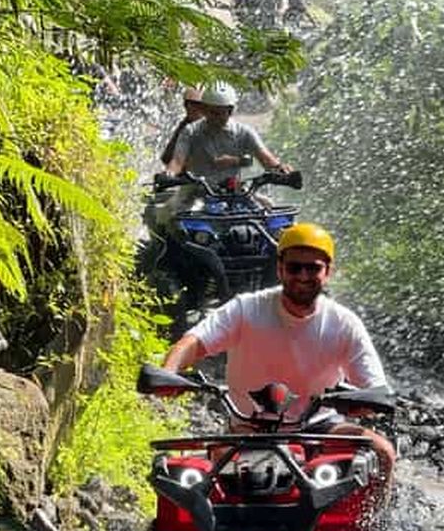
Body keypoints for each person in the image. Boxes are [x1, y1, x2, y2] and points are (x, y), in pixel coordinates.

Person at [162, 222, 397, 499]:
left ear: (328, 272)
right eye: (295, 267)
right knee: (194, 488)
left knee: (382, 452)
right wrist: (169, 374)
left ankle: (372, 530)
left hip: (319, 427)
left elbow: (375, 388)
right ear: (280, 268)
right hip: (248, 427)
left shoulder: (344, 323)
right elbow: (193, 342)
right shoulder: (246, 309)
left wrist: (364, 403)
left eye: (313, 268)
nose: (303, 275)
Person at [166, 83, 292, 182]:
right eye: (211, 112)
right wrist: (169, 175)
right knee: (174, 211)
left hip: (235, 192)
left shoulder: (244, 132)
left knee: (265, 208)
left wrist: (280, 168)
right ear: (204, 109)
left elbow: (266, 158)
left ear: (230, 111)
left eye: (220, 113)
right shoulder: (190, 131)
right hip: (195, 191)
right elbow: (177, 161)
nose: (215, 117)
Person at [159, 87, 206, 166]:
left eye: (196, 105)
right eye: (188, 103)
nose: (191, 108)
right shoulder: (185, 126)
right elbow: (168, 157)